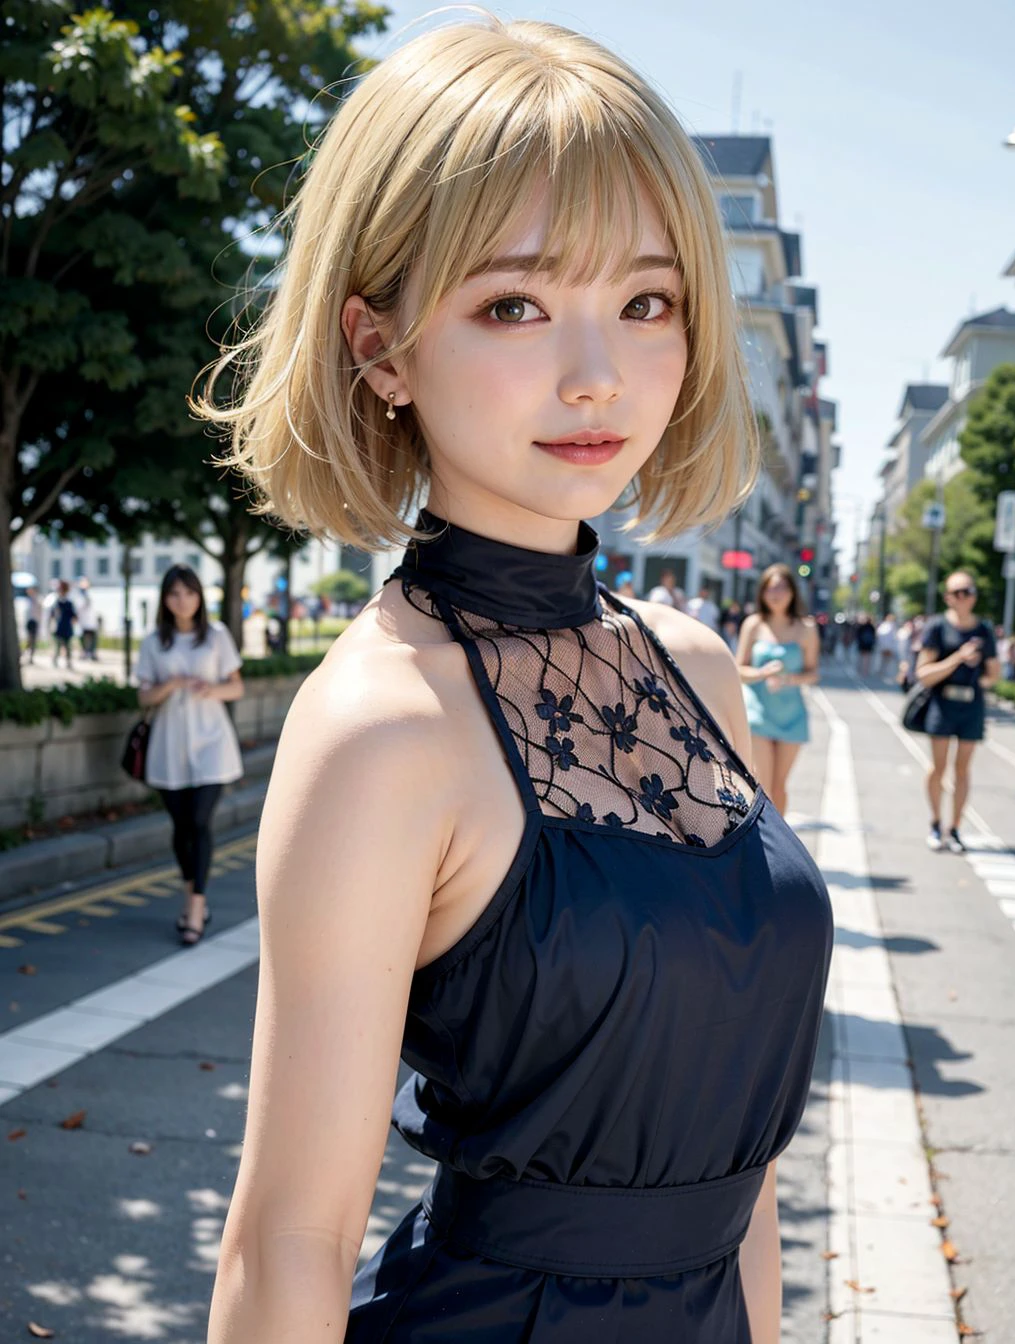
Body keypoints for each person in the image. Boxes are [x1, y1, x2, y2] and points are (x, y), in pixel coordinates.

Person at [195, 19, 832, 1344]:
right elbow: (287, 1246)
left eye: (645, 304)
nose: (597, 374)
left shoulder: (696, 668)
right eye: (514, 306)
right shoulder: (383, 724)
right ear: (378, 347)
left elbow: (747, 1186)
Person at [134, 565, 245, 945]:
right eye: (175, 594)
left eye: (190, 593)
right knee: (181, 828)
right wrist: (170, 685)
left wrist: (209, 688)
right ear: (165, 599)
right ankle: (191, 895)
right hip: (168, 746)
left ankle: (195, 908)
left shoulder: (216, 636)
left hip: (212, 741)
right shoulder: (153, 642)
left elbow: (237, 688)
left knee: (199, 821)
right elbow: (143, 697)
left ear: (200, 597)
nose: (183, 600)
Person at [914, 571, 1000, 854]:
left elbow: (993, 675)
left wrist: (978, 673)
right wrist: (957, 659)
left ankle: (956, 827)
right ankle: (936, 823)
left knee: (963, 769)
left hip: (971, 705)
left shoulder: (984, 630)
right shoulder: (937, 627)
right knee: (938, 767)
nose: (963, 597)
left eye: (968, 591)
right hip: (942, 702)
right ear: (948, 597)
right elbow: (924, 673)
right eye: (957, 592)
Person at [736, 564, 820, 815]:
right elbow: (739, 668)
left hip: (792, 715)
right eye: (770, 588)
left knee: (780, 786)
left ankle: (778, 845)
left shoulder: (806, 628)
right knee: (762, 785)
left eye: (782, 587)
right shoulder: (753, 624)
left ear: (793, 592)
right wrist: (762, 673)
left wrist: (788, 679)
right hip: (758, 713)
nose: (776, 593)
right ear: (762, 592)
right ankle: (760, 840)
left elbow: (813, 672)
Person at [50, 579, 78, 669]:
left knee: (68, 647)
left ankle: (68, 662)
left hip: (67, 628)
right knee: (57, 647)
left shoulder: (69, 603)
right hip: (58, 628)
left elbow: (74, 616)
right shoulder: (56, 603)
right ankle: (55, 661)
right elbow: (52, 615)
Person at [76, 577, 101, 660]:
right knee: (83, 638)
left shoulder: (91, 594)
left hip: (91, 621)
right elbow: (78, 608)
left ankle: (92, 652)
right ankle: (84, 652)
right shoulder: (79, 596)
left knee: (93, 637)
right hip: (83, 621)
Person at [22, 586, 44, 664]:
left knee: (32, 640)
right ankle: (25, 654)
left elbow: (40, 612)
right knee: (29, 640)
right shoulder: (28, 600)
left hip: (34, 622)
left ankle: (30, 657)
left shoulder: (38, 599)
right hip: (29, 622)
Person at [876, 612, 898, 679]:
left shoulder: (889, 625)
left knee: (887, 660)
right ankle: (883, 672)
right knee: (885, 660)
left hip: (887, 645)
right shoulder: (887, 625)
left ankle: (884, 672)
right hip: (887, 646)